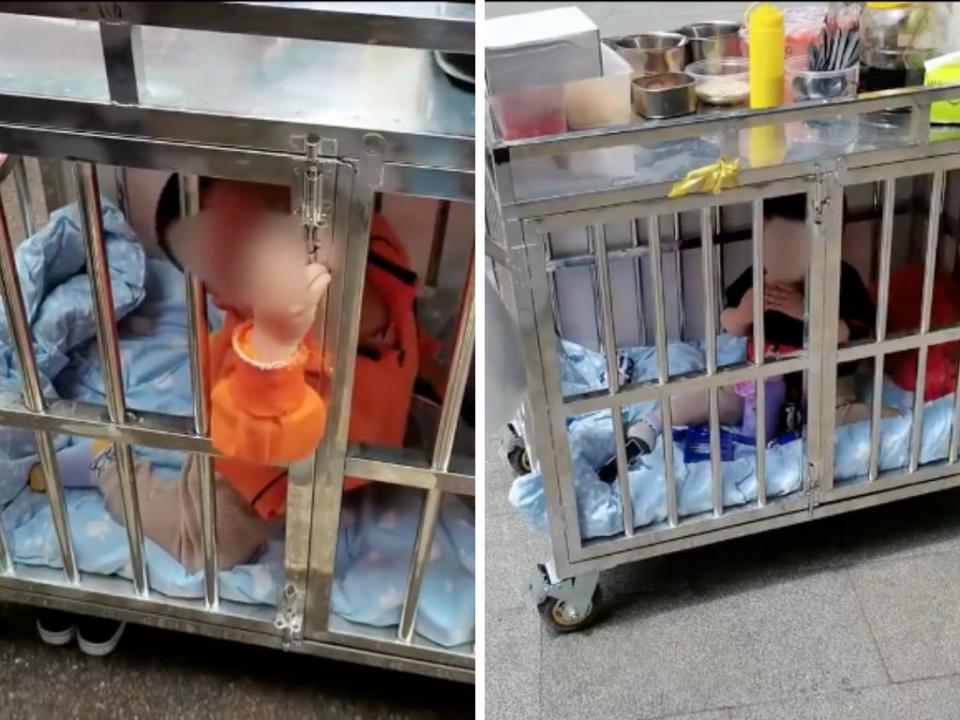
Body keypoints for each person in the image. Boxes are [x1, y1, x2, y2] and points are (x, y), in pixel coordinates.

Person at [33, 175, 434, 655]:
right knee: (203, 545)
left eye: (264, 218)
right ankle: (105, 462)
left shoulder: (360, 243)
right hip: (254, 426)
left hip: (332, 407)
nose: (261, 251)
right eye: (224, 261)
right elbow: (261, 424)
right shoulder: (274, 318)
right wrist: (271, 343)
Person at [602, 194, 889, 482]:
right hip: (758, 382)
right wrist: (744, 312)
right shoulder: (757, 278)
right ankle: (652, 424)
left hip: (821, 382)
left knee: (835, 416)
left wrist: (805, 311)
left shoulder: (840, 278)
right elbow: (730, 325)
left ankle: (895, 418)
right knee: (716, 395)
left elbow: (852, 335)